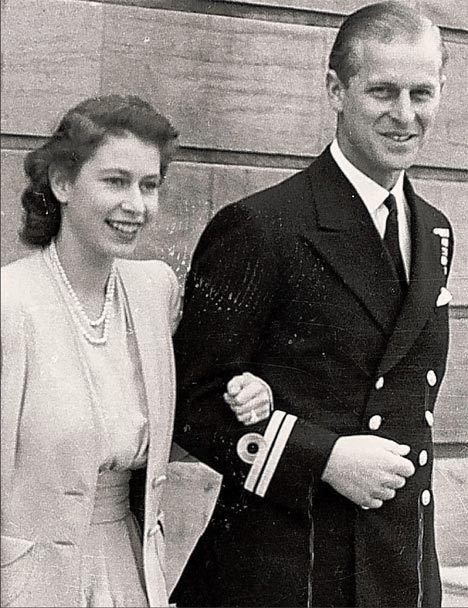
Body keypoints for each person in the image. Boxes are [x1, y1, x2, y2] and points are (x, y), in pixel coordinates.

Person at [171, 3, 454, 607]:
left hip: (399, 569)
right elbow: (192, 405)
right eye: (382, 91)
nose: (404, 115)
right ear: (336, 90)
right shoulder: (263, 226)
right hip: (291, 570)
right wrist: (322, 457)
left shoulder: (434, 231)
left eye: (421, 93)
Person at [0, 94, 273, 608]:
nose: (137, 205)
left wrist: (248, 390)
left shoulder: (155, 291)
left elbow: (183, 418)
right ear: (62, 183)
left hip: (131, 569)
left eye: (150, 186)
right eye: (115, 181)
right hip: (29, 582)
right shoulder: (11, 304)